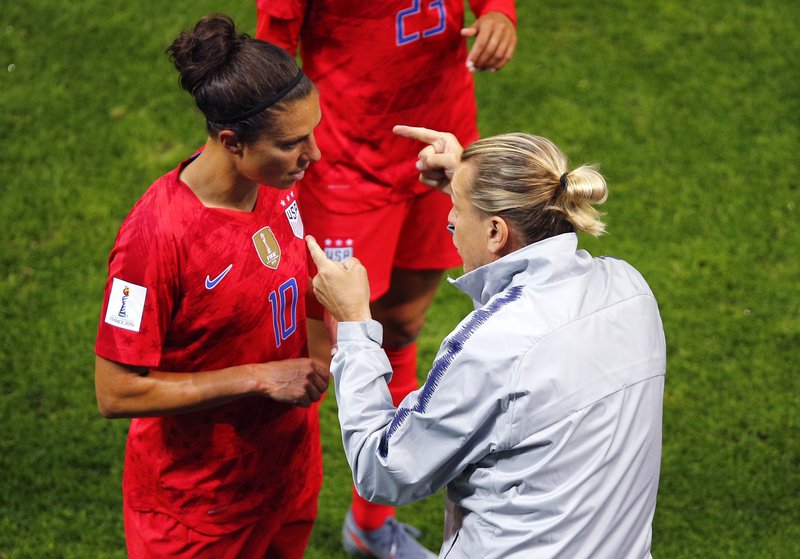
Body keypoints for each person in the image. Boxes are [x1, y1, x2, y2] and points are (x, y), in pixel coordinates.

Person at [306, 125, 667, 558]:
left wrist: (354, 324)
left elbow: (383, 471)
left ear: (496, 233)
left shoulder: (494, 345)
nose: (450, 220)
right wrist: (472, 181)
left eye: (457, 209)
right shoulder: (631, 288)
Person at [255, 2, 517, 556]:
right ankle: (263, 528)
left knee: (401, 327)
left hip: (439, 147)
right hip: (344, 165)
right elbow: (271, 59)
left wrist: (499, 13)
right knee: (311, 363)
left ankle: (369, 525)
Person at [93, 14, 330, 558]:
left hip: (286, 472)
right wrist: (259, 377)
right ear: (232, 141)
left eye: (312, 132)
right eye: (294, 142)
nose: (313, 155)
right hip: (198, 511)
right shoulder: (155, 237)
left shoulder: (274, 181)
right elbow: (115, 390)